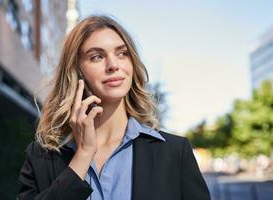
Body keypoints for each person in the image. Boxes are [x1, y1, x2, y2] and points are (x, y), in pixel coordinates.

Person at [17, 15, 210, 200]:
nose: (113, 65)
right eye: (96, 57)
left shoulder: (175, 152)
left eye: (122, 53)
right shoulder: (40, 158)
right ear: (77, 71)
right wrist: (83, 156)